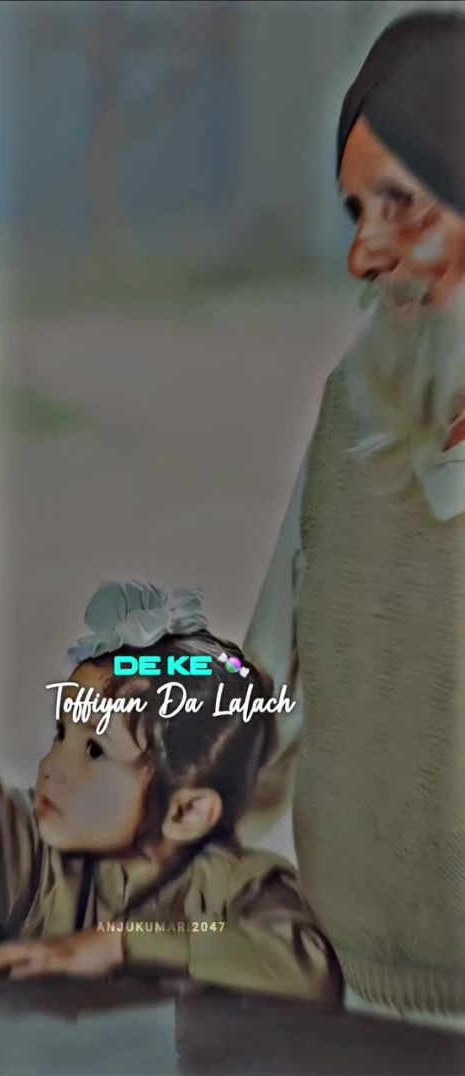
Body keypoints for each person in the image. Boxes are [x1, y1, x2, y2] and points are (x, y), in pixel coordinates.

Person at [244, 11, 465, 1031]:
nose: (362, 254)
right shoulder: (355, 407)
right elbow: (263, 703)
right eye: (354, 211)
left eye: (399, 205)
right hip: (348, 1007)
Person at [0, 580, 339, 1002]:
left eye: (94, 750)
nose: (51, 768)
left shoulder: (240, 889)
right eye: (60, 735)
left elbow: (306, 964)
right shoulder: (38, 865)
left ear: (187, 812)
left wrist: (118, 944)